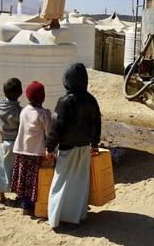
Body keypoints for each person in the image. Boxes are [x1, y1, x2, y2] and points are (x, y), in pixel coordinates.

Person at [45, 63, 102, 228]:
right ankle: (76, 216)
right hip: (84, 147)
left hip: (67, 148)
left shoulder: (64, 102)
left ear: (67, 80)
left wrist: (49, 147)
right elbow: (97, 123)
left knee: (60, 181)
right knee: (79, 181)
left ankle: (55, 218)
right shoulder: (92, 100)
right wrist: (95, 144)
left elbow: (57, 128)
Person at [10, 81, 53, 216]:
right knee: (34, 180)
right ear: (43, 97)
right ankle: (30, 206)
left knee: (23, 178)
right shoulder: (44, 114)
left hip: (22, 151)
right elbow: (49, 134)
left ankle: (24, 203)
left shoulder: (23, 111)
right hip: (35, 152)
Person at [0, 77, 23, 209]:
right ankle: (19, 195)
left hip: (4, 141)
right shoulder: (19, 111)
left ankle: (1, 196)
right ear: (20, 93)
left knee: (2, 169)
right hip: (17, 144)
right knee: (17, 169)